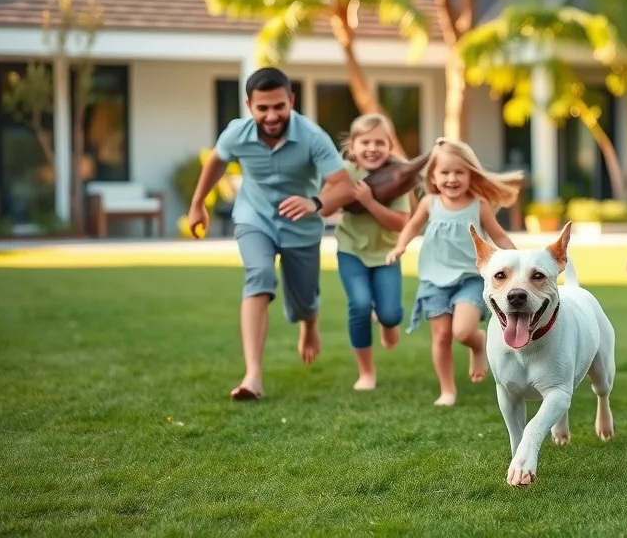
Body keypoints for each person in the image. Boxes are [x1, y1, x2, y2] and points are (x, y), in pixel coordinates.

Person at [187, 66, 357, 401]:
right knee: (258, 275)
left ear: (291, 100)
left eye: (279, 106)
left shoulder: (312, 136)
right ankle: (253, 375)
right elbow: (217, 162)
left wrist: (316, 201)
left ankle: (309, 325)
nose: (271, 115)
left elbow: (345, 186)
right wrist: (198, 204)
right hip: (255, 219)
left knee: (304, 302)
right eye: (262, 107)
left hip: (302, 227)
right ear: (249, 105)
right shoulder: (236, 133)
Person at [385, 137, 520, 406]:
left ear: (471, 175)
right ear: (433, 177)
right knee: (442, 336)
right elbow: (411, 227)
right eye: (444, 172)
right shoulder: (430, 204)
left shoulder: (478, 205)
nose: (452, 178)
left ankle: (478, 343)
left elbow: (499, 236)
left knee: (462, 331)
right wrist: (400, 246)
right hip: (434, 280)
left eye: (460, 172)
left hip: (469, 279)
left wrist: (518, 261)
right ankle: (447, 390)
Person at [329, 113, 410, 391]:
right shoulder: (345, 172)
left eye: (380, 142)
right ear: (353, 146)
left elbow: (401, 223)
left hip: (386, 253)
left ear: (390, 146)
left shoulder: (396, 176)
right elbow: (326, 204)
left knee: (391, 314)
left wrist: (369, 202)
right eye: (365, 142)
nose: (372, 148)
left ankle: (386, 322)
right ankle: (366, 373)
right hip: (350, 249)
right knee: (360, 306)